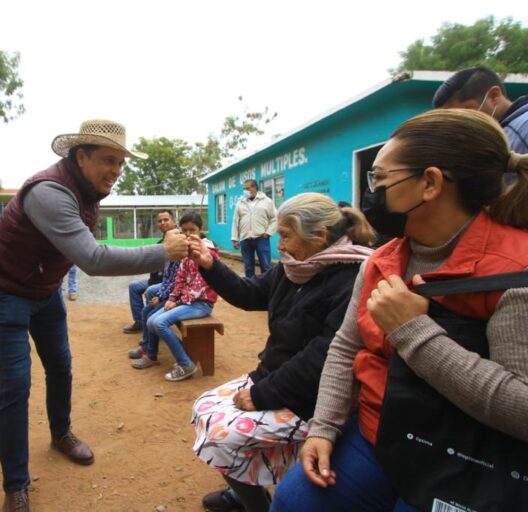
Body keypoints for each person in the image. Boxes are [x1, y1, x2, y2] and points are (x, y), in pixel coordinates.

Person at [271, 109, 528, 512]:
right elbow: (343, 349)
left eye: (380, 180)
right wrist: (323, 428)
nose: (370, 195)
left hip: (467, 459)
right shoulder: (382, 260)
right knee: (293, 503)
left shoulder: (516, 270)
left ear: (429, 183)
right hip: (378, 435)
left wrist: (413, 331)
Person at [0, 119, 188, 512]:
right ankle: (15, 485)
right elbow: (92, 258)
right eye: (108, 160)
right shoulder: (48, 192)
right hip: (3, 291)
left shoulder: (88, 189)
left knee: (61, 366)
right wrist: (162, 252)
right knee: (16, 386)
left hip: (44, 288)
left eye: (121, 163)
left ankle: (60, 434)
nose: (116, 171)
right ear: (81, 156)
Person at [187, 193, 375, 512]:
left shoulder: (352, 278)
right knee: (203, 409)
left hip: (310, 399)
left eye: (286, 236)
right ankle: (246, 485)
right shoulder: (295, 268)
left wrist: (262, 394)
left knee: (221, 436)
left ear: (320, 236)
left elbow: (322, 358)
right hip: (274, 379)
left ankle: (257, 504)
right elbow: (249, 294)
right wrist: (210, 265)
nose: (280, 247)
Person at [131, 212, 220, 381]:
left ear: (201, 230)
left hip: (201, 303)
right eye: (184, 230)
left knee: (160, 322)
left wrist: (177, 302)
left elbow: (198, 287)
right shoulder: (185, 251)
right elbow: (179, 278)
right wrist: (172, 298)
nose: (188, 235)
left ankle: (185, 364)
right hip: (185, 301)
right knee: (150, 321)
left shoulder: (208, 252)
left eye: (192, 230)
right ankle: (186, 354)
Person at [433, 66, 528, 153]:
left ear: (493, 96)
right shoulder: (499, 134)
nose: (462, 124)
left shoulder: (523, 128)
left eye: (466, 114)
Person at [122, 210, 178, 333]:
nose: (162, 223)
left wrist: (156, 287)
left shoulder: (178, 241)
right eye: (160, 221)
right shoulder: (161, 242)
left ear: (174, 222)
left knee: (151, 291)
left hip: (168, 284)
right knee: (134, 286)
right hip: (155, 281)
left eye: (166, 220)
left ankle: (152, 330)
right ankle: (140, 323)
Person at [231, 179, 278, 278]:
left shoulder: (267, 201)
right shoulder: (240, 202)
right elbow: (235, 221)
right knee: (248, 267)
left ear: (254, 188)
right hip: (245, 239)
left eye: (247, 188)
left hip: (261, 238)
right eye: (244, 189)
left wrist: (268, 232)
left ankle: (267, 289)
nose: (245, 191)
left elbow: (275, 218)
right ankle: (250, 289)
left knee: (266, 267)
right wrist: (235, 238)